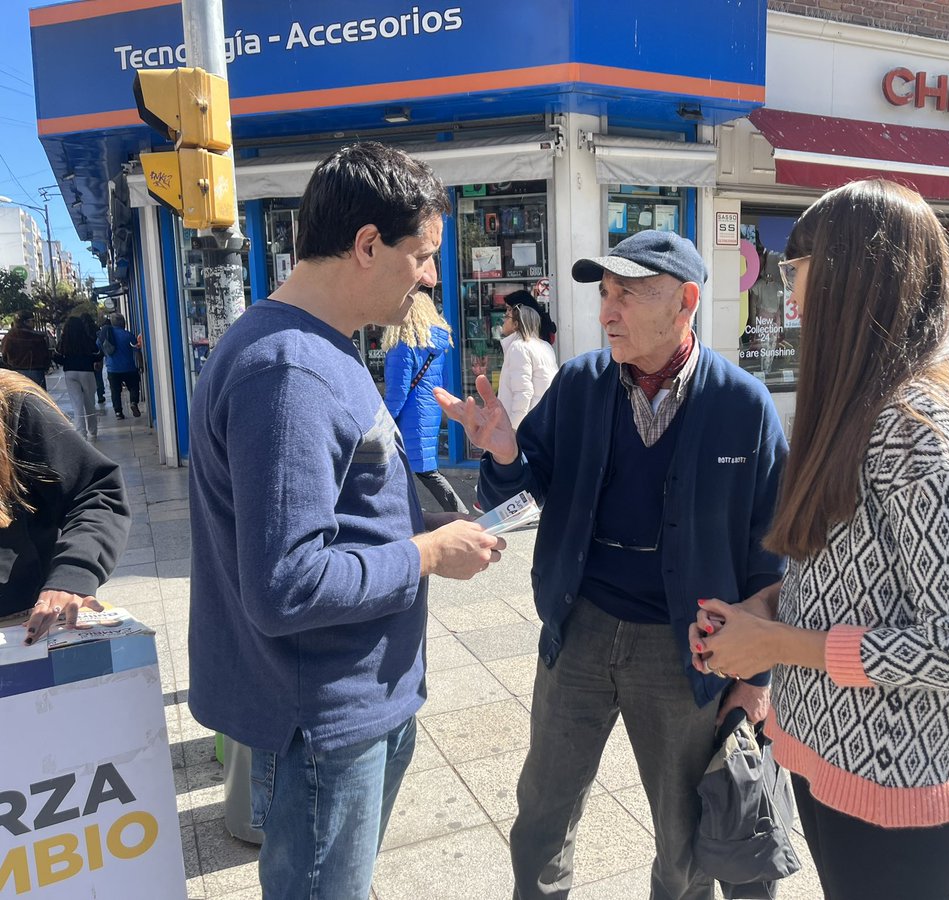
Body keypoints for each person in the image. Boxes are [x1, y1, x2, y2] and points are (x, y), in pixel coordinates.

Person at [691, 179, 949, 900]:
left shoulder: (919, 429)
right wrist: (772, 605)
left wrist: (779, 647)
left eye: (797, 268)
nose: (791, 291)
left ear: (852, 271)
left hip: (900, 783)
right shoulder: (872, 403)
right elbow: (867, 572)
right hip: (833, 755)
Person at [187, 142, 505, 900]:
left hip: (343, 704)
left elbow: (333, 516)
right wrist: (427, 553)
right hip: (323, 719)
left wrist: (425, 521)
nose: (431, 276)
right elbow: (287, 584)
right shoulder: (288, 371)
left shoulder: (311, 348)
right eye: (422, 255)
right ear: (368, 245)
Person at [436, 229, 788, 900]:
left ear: (685, 301)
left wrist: (757, 674)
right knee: (542, 816)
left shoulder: (742, 406)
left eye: (629, 294)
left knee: (684, 844)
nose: (606, 312)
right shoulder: (581, 384)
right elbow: (521, 493)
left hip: (690, 648)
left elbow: (770, 549)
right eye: (605, 292)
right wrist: (505, 455)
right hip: (581, 630)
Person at [0, 370, 130, 642]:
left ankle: (90, 427)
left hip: (21, 633)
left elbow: (95, 491)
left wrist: (72, 575)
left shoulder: (12, 403)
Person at [383, 291, 469, 514]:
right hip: (428, 411)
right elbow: (443, 383)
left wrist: (384, 419)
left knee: (416, 471)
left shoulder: (403, 344)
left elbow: (397, 391)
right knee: (421, 468)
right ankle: (454, 515)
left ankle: (459, 515)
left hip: (407, 416)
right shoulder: (438, 345)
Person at [498, 290, 559, 428]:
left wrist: (513, 430)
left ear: (516, 323)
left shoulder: (519, 348)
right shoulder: (545, 347)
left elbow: (523, 393)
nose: (503, 319)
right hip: (542, 423)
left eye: (507, 313)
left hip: (526, 429)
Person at [53, 315, 102, 442]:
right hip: (86, 372)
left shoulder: (64, 341)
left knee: (77, 404)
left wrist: (67, 362)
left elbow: (56, 356)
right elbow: (98, 354)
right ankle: (93, 431)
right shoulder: (87, 339)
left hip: (70, 372)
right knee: (89, 402)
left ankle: (81, 433)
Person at [99, 314, 143, 420]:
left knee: (115, 391)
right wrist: (141, 364)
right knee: (133, 386)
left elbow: (99, 348)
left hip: (112, 368)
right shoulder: (128, 335)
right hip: (129, 367)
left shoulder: (106, 335)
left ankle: (118, 412)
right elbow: (136, 351)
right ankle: (133, 402)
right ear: (123, 323)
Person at [1, 310, 52, 389]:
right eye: (32, 321)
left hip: (16, 372)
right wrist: (46, 366)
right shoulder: (37, 337)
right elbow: (45, 355)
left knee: (20, 398)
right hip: (35, 371)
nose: (33, 323)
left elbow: (4, 355)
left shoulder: (9, 337)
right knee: (38, 398)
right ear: (26, 322)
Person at [82, 312, 107, 406]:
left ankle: (90, 396)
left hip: (87, 358)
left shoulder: (81, 331)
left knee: (88, 378)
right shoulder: (96, 328)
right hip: (97, 355)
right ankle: (100, 395)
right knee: (98, 377)